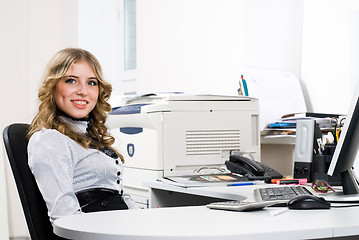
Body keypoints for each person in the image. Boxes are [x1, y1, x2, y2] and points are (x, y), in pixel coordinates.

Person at [27, 48, 138, 223]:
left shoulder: (91, 136)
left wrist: (147, 218)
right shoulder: (49, 140)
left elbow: (120, 195)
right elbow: (66, 218)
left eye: (92, 83)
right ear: (52, 86)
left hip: (120, 228)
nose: (83, 91)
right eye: (71, 81)